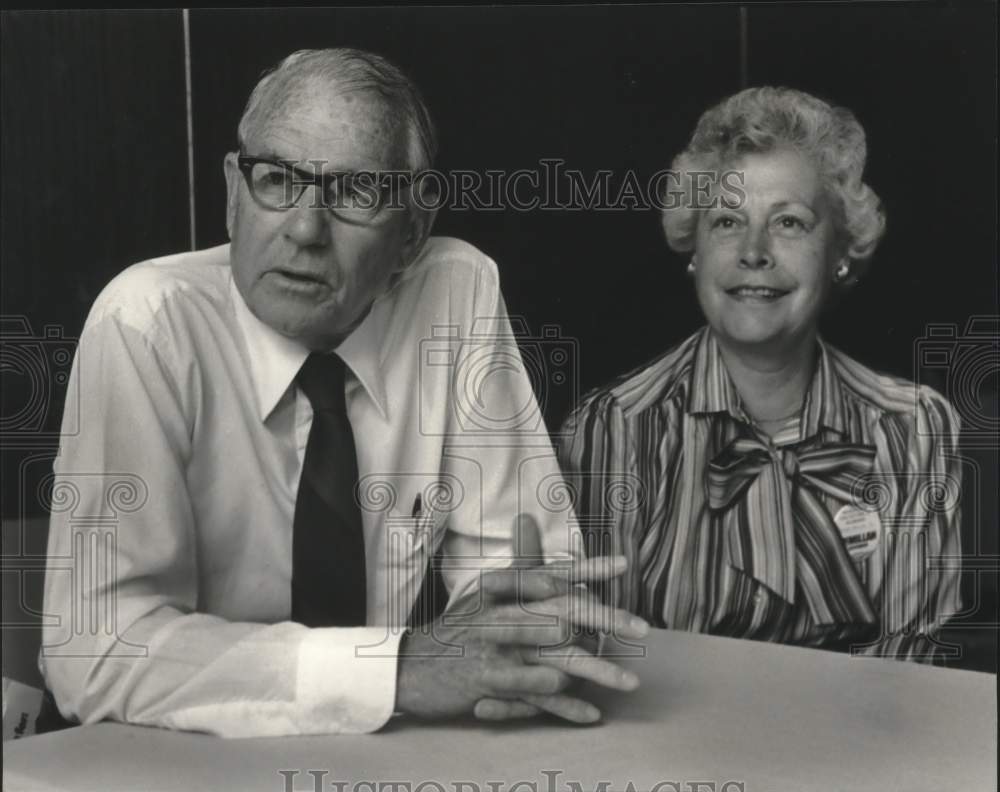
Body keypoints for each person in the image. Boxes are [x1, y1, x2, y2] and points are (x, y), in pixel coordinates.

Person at [40, 47, 647, 737]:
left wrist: (526, 635)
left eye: (354, 192)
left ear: (414, 228)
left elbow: (526, 570)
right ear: (233, 194)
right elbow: (92, 650)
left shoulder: (455, 292)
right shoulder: (145, 324)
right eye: (276, 180)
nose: (304, 229)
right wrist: (395, 670)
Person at [559, 87, 962, 663]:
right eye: (727, 220)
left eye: (790, 223)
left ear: (840, 250)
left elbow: (912, 671)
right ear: (693, 249)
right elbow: (609, 657)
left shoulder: (915, 427)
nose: (754, 252)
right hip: (669, 749)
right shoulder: (611, 430)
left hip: (861, 745)